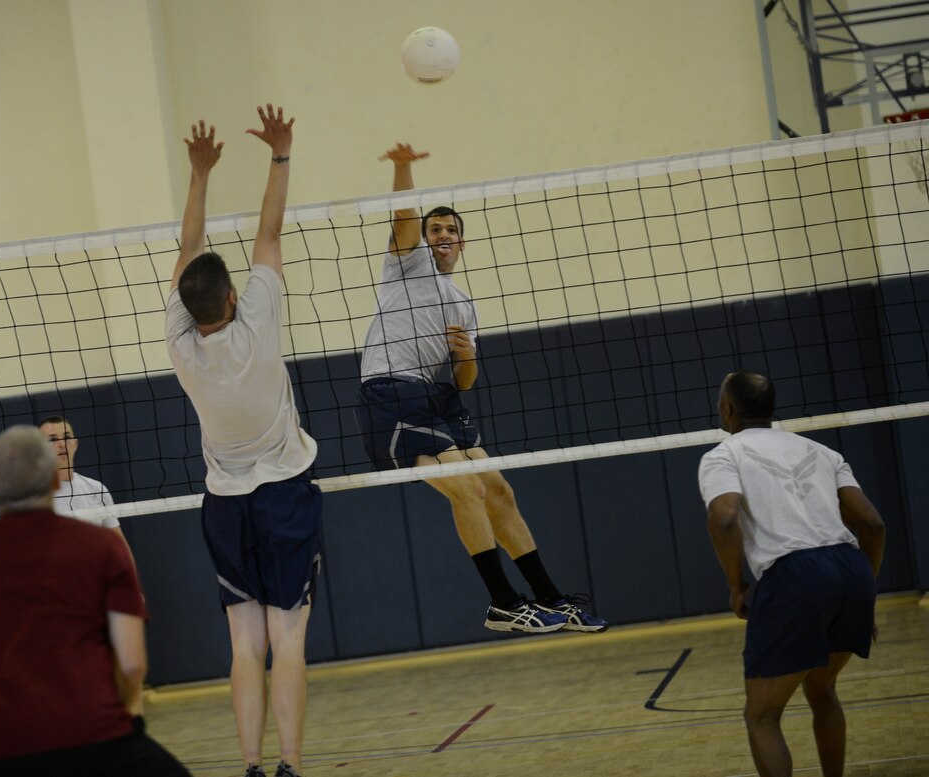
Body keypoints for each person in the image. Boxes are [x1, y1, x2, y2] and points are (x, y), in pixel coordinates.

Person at [353, 144, 608, 635]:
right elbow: (404, 214)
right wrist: (403, 167)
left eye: (451, 231)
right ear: (423, 241)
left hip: (438, 394)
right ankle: (503, 603)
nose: (442, 235)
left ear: (462, 244)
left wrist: (467, 356)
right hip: (391, 391)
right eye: (435, 230)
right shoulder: (407, 266)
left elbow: (465, 380)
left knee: (497, 488)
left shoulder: (464, 304)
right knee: (467, 488)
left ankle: (551, 599)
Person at [165, 105, 320, 777]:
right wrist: (280, 154)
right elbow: (270, 230)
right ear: (232, 298)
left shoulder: (178, 342)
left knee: (243, 644)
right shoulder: (256, 320)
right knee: (289, 640)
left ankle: (251, 765)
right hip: (285, 494)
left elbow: (187, 249)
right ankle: (288, 763)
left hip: (224, 505)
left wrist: (196, 174)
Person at [0, 426, 189, 777]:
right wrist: (109, 719)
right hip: (97, 737)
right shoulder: (103, 549)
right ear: (54, 483)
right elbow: (131, 667)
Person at [698, 370, 886, 777]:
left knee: (762, 716)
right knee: (822, 688)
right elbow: (872, 525)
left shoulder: (723, 455)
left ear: (728, 410)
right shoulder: (821, 451)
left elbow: (724, 517)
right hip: (852, 570)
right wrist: (865, 596)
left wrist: (736, 586)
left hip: (796, 575)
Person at [37, 415, 129, 540]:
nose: (62, 444)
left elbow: (120, 546)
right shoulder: (31, 496)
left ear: (75, 444)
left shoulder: (97, 490)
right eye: (52, 439)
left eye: (67, 437)